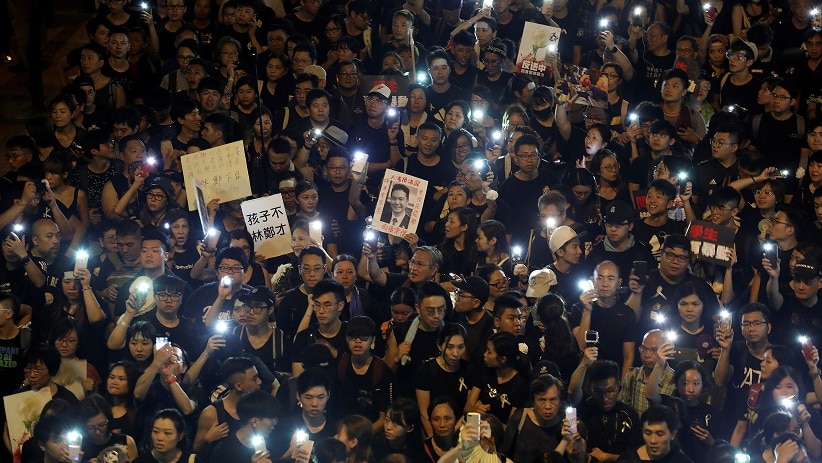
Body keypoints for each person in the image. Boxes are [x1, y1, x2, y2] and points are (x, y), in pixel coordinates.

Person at [570, 260, 637, 379]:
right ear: (593, 280)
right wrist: (587, 311)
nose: (605, 284)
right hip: (586, 377)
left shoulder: (627, 313)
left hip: (614, 377)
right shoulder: (579, 308)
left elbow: (628, 356)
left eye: (611, 279)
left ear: (619, 282)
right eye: (600, 278)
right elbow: (580, 346)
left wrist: (622, 388)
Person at [332, 316, 393, 430]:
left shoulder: (383, 371)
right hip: (343, 431)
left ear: (373, 340)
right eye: (353, 336)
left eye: (364, 337)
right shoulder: (339, 366)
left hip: (371, 433)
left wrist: (363, 436)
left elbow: (385, 417)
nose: (358, 341)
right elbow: (332, 407)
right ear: (346, 338)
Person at [193, 357, 261, 456]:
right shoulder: (211, 414)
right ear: (238, 386)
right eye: (254, 379)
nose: (259, 382)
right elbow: (196, 451)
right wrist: (207, 439)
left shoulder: (258, 408)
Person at [465, 332, 530, 422]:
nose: (484, 354)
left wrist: (487, 420)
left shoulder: (520, 385)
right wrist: (476, 410)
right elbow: (467, 408)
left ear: (502, 359)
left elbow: (510, 427)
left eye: (489, 352)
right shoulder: (485, 370)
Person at [501, 374, 566, 463]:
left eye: (553, 400)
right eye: (542, 400)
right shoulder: (520, 418)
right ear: (533, 401)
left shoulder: (565, 425)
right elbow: (504, 452)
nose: (548, 406)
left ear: (560, 401)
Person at [207, 390, 281, 463]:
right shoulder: (223, 452)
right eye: (272, 418)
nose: (275, 423)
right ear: (254, 421)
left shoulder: (271, 441)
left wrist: (290, 451)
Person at [619, 329, 677, 415]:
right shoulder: (633, 375)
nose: (646, 355)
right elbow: (622, 409)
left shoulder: (674, 380)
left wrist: (659, 364)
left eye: (654, 350)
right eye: (644, 349)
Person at [618, 405, 694, 462]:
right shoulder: (628, 459)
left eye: (660, 434)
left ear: (672, 434)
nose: (653, 441)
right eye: (648, 433)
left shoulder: (682, 461)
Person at [135, 408, 199, 463]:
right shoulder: (141, 461)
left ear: (180, 436)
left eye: (167, 433)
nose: (160, 438)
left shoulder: (191, 461)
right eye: (155, 431)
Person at [371, 398, 424, 462]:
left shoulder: (417, 452)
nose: (388, 427)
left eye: (395, 424)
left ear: (409, 428)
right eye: (387, 420)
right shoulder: (375, 443)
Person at [421, 396, 458, 462]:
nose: (442, 424)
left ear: (456, 419)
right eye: (436, 419)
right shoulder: (422, 450)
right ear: (430, 421)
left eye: (447, 419)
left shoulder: (466, 447)